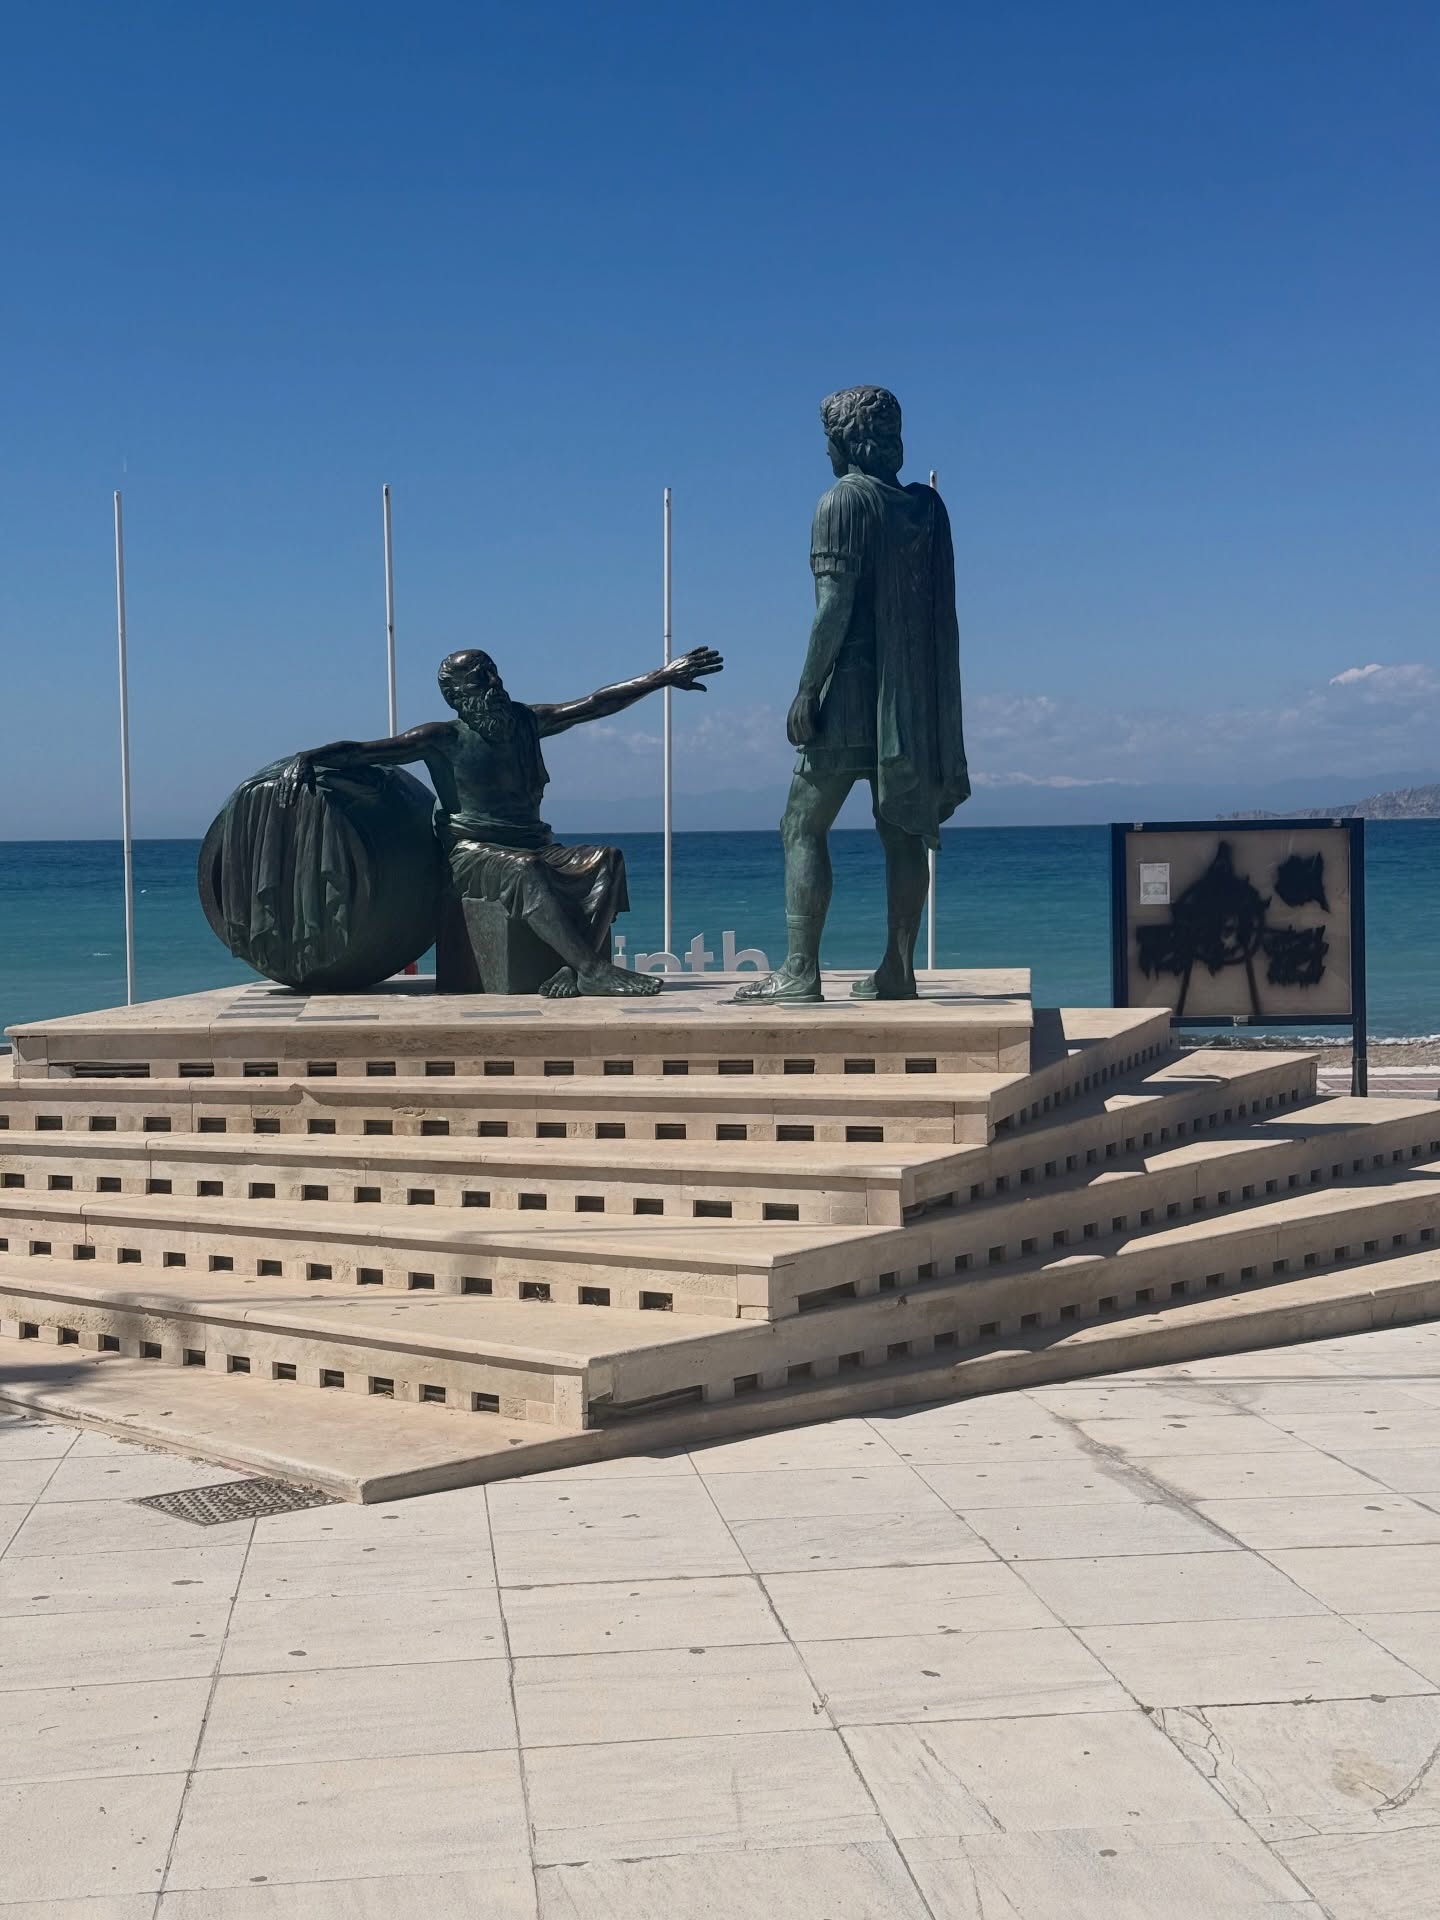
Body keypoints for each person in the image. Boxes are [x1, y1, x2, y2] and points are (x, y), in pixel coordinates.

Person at [279, 644, 723, 997]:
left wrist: (661, 677)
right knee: (525, 870)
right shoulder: (441, 738)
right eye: (480, 678)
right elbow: (365, 751)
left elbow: (595, 704)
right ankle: (590, 968)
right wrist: (310, 757)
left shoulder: (527, 721)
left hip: (536, 843)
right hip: (473, 854)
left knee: (608, 859)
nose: (494, 683)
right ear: (456, 695)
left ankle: (577, 967)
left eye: (493, 673)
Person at [737, 385, 969, 1004]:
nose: (826, 452)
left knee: (800, 824)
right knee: (901, 831)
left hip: (852, 688)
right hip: (912, 696)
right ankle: (898, 968)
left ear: (844, 441)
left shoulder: (842, 501)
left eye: (828, 440)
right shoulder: (927, 508)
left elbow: (833, 607)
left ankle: (800, 969)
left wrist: (806, 689)